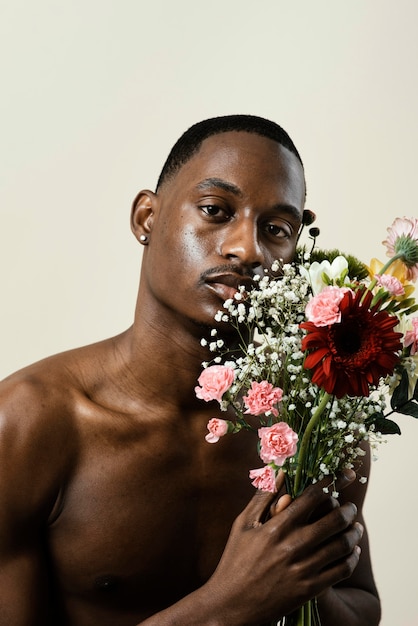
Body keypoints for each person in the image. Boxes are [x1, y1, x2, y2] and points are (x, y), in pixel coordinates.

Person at [0, 115, 381, 625]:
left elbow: (362, 607)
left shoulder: (314, 427)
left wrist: (301, 581)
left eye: (276, 229)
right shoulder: (29, 424)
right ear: (146, 218)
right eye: (214, 210)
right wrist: (230, 605)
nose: (247, 250)